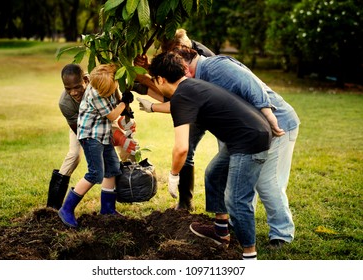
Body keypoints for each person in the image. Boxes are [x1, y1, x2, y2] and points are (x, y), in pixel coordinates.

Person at [139, 46, 300, 247]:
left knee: (265, 184)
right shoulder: (192, 82)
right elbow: (179, 101)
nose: (183, 75)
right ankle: (225, 228)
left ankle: (280, 235)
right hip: (242, 133)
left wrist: (268, 115)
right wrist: (150, 92)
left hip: (276, 123)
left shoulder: (216, 67)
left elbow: (252, 84)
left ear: (187, 66)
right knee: (215, 174)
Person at [133, 28, 215, 211]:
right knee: (188, 151)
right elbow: (174, 92)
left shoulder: (203, 58)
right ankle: (185, 203)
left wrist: (146, 81)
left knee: (192, 151)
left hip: (213, 108)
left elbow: (180, 99)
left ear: (180, 47)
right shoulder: (178, 54)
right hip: (194, 103)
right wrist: (148, 69)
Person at [46, 64, 138, 210]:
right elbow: (81, 131)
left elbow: (114, 102)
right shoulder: (66, 103)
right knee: (75, 155)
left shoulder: (100, 81)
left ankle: (130, 188)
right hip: (83, 128)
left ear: (85, 79)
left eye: (77, 87)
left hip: (105, 119)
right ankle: (53, 206)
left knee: (124, 152)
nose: (73, 92)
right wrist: (117, 138)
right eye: (68, 89)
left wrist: (124, 117)